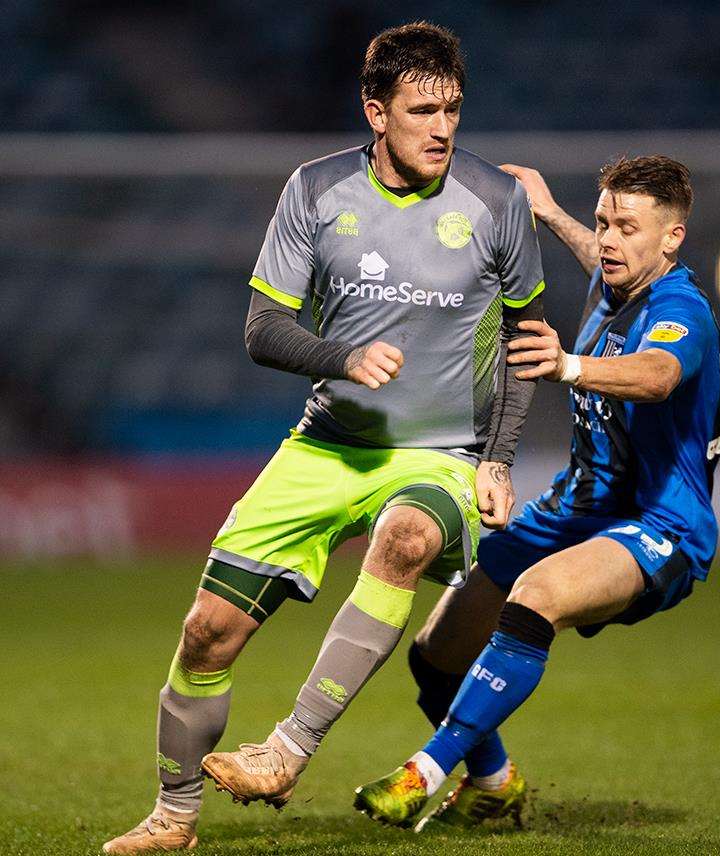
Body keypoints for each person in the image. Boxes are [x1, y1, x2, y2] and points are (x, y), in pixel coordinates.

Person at [102, 21, 546, 853]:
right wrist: (341, 356)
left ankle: (289, 748)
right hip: (326, 444)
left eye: (453, 108)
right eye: (422, 110)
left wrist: (498, 456)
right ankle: (174, 817)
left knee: (407, 536)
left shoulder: (497, 202)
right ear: (376, 112)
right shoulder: (314, 191)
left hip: (442, 453)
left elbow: (528, 340)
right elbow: (263, 328)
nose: (443, 128)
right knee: (206, 634)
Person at [352, 155, 720, 831]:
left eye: (628, 228)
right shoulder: (615, 282)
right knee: (437, 658)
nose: (609, 240)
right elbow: (600, 257)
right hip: (573, 510)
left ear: (673, 237)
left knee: (537, 599)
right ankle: (494, 781)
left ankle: (425, 771)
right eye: (603, 222)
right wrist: (553, 212)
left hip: (657, 523)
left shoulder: (683, 310)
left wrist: (568, 365)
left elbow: (658, 375)